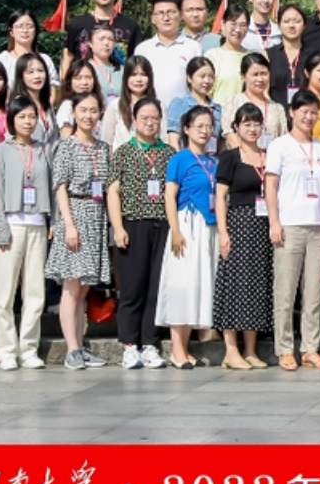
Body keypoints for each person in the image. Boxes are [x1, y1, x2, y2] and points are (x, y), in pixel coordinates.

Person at [44, 92, 112, 369]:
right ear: (73, 113)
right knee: (71, 286)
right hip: (75, 212)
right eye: (83, 110)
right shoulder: (66, 146)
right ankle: (71, 348)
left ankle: (80, 346)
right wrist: (69, 225)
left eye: (93, 111)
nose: (88, 116)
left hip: (96, 215)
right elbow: (60, 186)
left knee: (84, 289)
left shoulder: (103, 147)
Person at [265, 91, 320, 370]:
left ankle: (309, 348)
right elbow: (270, 186)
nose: (309, 116)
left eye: (313, 112)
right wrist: (274, 221)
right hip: (290, 224)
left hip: (319, 225)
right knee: (285, 291)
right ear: (292, 112)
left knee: (313, 292)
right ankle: (284, 349)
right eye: (304, 111)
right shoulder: (280, 146)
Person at [108, 97, 172, 369]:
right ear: (134, 120)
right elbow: (113, 191)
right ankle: (129, 345)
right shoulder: (123, 152)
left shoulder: (168, 153)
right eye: (144, 117)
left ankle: (149, 343)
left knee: (155, 287)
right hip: (133, 224)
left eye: (155, 118)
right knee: (132, 287)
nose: (150, 122)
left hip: (162, 225)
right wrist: (118, 226)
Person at [0, 101, 51, 370]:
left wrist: (52, 221)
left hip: (37, 224)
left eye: (32, 116)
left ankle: (29, 348)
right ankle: (5, 349)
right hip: (11, 224)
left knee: (35, 291)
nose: (27, 121)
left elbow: (52, 186)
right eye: (22, 116)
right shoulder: (2, 150)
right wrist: (1, 225)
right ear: (11, 120)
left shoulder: (43, 149)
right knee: (4, 291)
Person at [212, 102, 274, 370]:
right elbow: (220, 197)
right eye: (246, 123)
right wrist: (223, 232)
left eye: (256, 123)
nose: (252, 128)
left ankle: (250, 349)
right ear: (236, 127)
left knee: (258, 286)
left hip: (263, 226)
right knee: (235, 286)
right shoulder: (230, 157)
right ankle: (231, 350)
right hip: (239, 223)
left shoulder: (268, 155)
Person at [158, 106, 219, 368]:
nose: (205, 131)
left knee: (196, 283)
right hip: (187, 223)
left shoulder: (213, 162)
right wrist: (175, 230)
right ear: (186, 129)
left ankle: (185, 347)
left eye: (209, 126)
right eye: (199, 126)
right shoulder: (180, 158)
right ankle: (176, 349)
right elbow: (169, 195)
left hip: (208, 226)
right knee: (181, 283)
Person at [62, 0, 142, 72]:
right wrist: (64, 81)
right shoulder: (77, 24)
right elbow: (68, 58)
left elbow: (137, 61)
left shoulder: (131, 26)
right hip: (85, 81)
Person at [135, 0, 200, 114]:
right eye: (160, 13)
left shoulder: (193, 47)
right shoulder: (142, 49)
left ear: (181, 15)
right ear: (153, 18)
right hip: (150, 115)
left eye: (171, 12)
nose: (166, 18)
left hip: (184, 114)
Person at [228, 54, 287, 150]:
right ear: (243, 76)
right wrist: (249, 156)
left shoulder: (277, 108)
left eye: (264, 74)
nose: (260, 79)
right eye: (255, 74)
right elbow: (230, 135)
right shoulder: (233, 102)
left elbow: (283, 139)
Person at [0, 7, 60, 91]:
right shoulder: (4, 59)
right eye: (20, 26)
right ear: (11, 32)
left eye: (30, 26)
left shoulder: (45, 59)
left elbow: (53, 89)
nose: (25, 30)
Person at [166, 57, 222, 149]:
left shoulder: (217, 109)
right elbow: (174, 141)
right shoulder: (180, 104)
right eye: (202, 76)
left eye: (211, 77)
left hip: (211, 157)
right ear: (189, 78)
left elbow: (221, 144)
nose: (207, 81)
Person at [266, 4, 310, 106]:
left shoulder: (313, 56)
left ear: (304, 25)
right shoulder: (268, 55)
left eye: (297, 21)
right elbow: (263, 91)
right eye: (286, 21)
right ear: (279, 25)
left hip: (306, 113)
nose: (292, 26)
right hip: (275, 111)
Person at [207, 10, 252, 109]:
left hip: (247, 116)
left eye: (243, 25)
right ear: (223, 25)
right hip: (219, 114)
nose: (237, 30)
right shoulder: (212, 56)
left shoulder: (252, 57)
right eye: (233, 24)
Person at [55, 57, 103, 139]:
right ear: (70, 81)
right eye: (78, 78)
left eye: (88, 77)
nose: (84, 82)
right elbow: (66, 138)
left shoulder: (96, 103)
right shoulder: (67, 106)